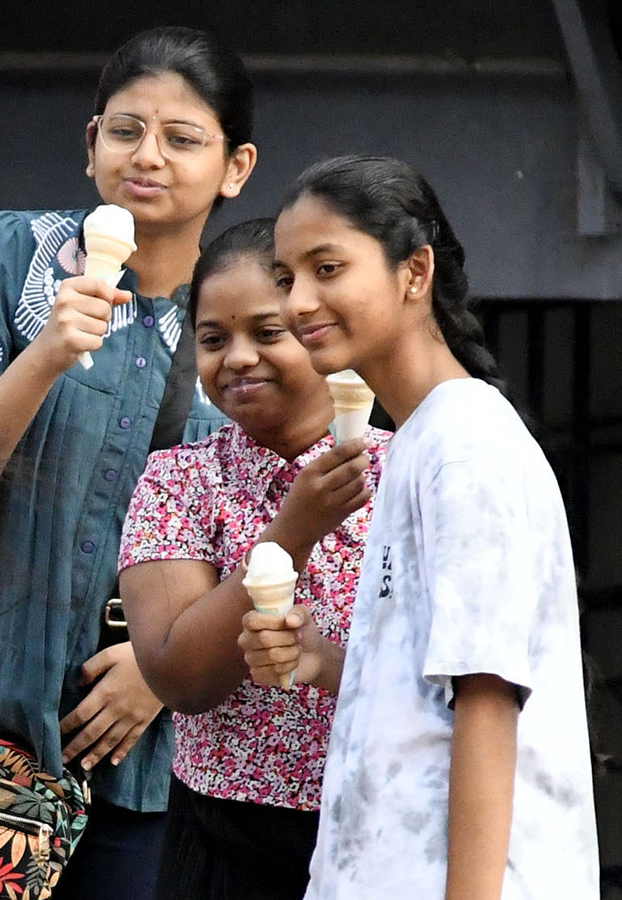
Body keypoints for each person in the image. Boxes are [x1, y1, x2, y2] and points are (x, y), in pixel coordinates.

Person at [0, 25, 258, 899]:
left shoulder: (256, 316)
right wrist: (45, 355)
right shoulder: (11, 254)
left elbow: (278, 531)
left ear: (236, 168)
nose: (148, 156)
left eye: (183, 139)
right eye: (124, 130)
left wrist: (166, 668)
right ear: (90, 144)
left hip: (158, 755)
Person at [242, 155, 599, 897]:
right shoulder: (418, 440)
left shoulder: (465, 438)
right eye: (285, 277)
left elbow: (487, 699)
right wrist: (323, 660)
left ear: (415, 271)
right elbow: (430, 700)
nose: (299, 300)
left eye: (328, 267)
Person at [117, 218, 386, 899]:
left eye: (268, 333)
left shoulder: (408, 470)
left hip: (384, 826)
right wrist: (291, 532)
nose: (236, 357)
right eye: (213, 339)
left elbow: (449, 677)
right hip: (223, 842)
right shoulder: (179, 480)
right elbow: (180, 677)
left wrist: (326, 663)